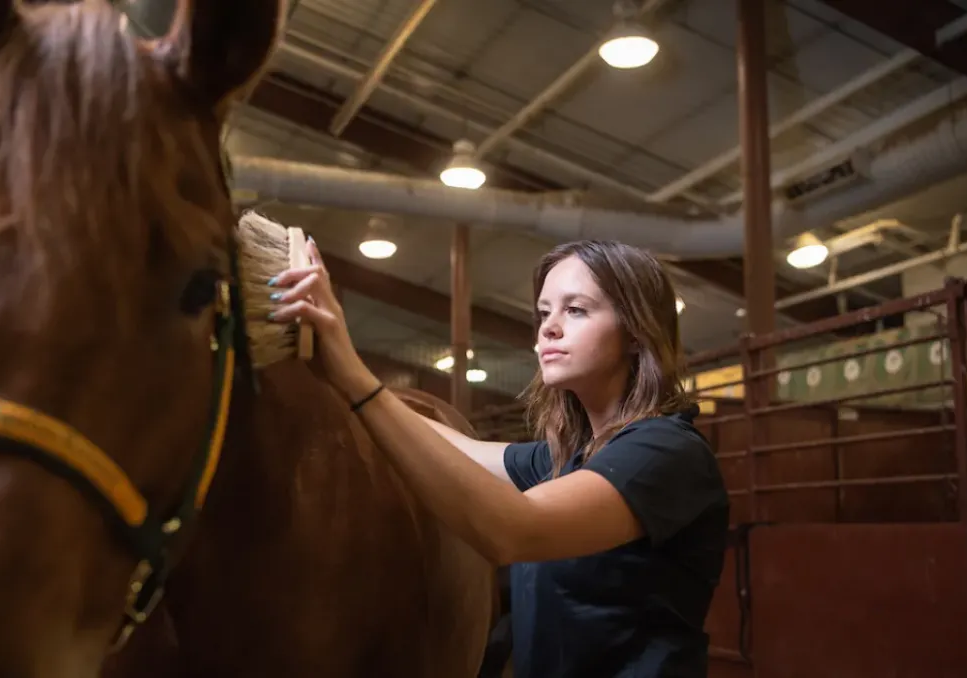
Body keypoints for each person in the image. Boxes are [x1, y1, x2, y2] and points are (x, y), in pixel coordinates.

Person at [268, 238, 730, 678]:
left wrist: (353, 378)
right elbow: (460, 449)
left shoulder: (666, 454)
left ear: (635, 332)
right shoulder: (572, 459)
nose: (548, 326)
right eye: (544, 312)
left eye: (576, 309)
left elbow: (513, 530)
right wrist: (335, 382)